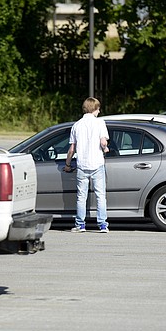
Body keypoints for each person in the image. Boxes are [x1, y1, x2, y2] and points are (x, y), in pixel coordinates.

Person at [64, 97, 110, 232]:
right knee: (100, 196)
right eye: (98, 109)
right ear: (94, 109)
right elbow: (103, 142)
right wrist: (105, 148)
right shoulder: (100, 123)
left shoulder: (77, 125)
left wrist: (67, 164)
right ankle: (102, 225)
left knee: (81, 196)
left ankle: (80, 225)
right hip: (97, 164)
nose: (99, 111)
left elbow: (72, 149)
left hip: (82, 165)